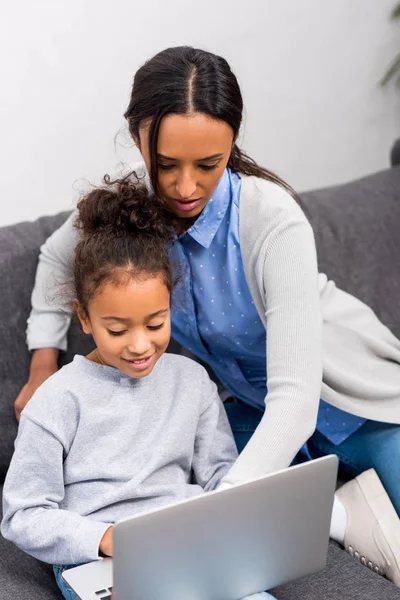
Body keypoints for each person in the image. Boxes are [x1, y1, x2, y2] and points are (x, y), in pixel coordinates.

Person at [15, 46, 400, 584]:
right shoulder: (132, 204)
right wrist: (42, 366)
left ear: (232, 142)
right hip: (248, 407)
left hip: (350, 394)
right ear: (136, 135)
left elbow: (296, 401)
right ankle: (338, 513)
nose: (186, 188)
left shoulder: (273, 219)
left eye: (210, 164)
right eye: (166, 164)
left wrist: (213, 530)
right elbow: (59, 255)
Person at [2, 179, 272, 600]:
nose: (140, 344)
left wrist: (236, 517)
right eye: (117, 329)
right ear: (85, 319)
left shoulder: (192, 381)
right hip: (100, 560)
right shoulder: (57, 400)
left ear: (171, 307)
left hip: (187, 543)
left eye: (155, 323)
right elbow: (23, 513)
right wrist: (106, 538)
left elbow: (221, 474)